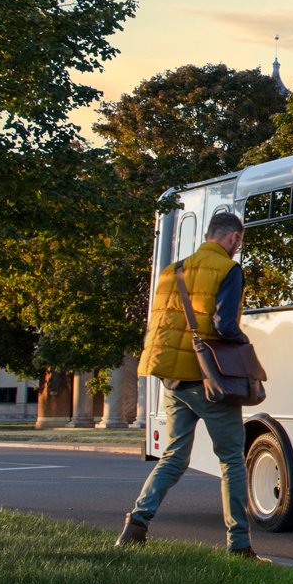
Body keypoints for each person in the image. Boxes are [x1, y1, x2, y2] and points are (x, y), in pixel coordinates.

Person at [116, 211, 262, 557]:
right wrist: (243, 346)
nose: (237, 247)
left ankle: (136, 524)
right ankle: (239, 545)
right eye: (238, 242)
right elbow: (225, 324)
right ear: (232, 239)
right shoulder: (229, 270)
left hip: (171, 377)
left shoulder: (173, 270)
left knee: (174, 456)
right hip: (208, 378)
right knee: (231, 459)